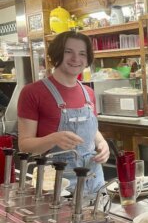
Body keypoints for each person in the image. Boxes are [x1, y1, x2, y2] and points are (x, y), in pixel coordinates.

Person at [17, 31, 109, 198]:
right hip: (56, 187)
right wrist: (52, 139)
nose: (76, 58)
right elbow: (24, 144)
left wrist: (102, 143)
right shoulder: (32, 92)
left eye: (82, 53)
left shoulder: (88, 93)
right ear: (56, 54)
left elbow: (91, 131)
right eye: (68, 52)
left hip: (95, 183)